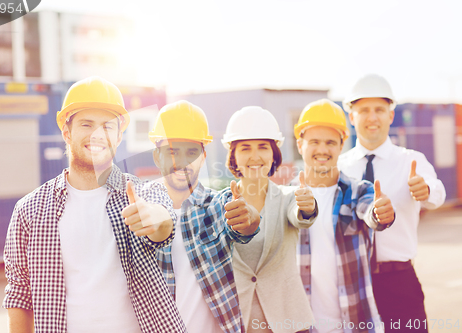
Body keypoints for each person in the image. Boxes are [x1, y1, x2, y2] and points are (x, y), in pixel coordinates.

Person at [2, 76, 186, 333]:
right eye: (86, 124)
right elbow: (19, 292)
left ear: (119, 136)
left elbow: (164, 226)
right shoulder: (29, 210)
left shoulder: (144, 192)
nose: (97, 134)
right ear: (66, 132)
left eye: (108, 126)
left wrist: (154, 220)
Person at [339, 74, 446, 332]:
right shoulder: (340, 167)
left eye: (379, 109)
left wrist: (425, 189)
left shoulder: (411, 160)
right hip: (351, 281)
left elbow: (438, 193)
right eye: (364, 110)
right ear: (352, 117)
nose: (372, 117)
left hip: (399, 283)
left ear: (391, 115)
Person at [151, 100, 261, 333]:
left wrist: (249, 219)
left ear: (203, 157)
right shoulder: (140, 207)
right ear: (156, 157)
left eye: (191, 152)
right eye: (172, 151)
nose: (182, 162)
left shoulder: (218, 204)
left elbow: (243, 225)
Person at [295, 99, 396, 333]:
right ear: (300, 145)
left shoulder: (358, 190)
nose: (322, 149)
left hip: (356, 323)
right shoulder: (285, 198)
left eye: (330, 142)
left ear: (342, 145)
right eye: (314, 142)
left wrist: (380, 213)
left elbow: (371, 211)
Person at [222, 106, 316, 333]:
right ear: (233, 155)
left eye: (263, 147)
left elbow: (301, 216)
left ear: (274, 153)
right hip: (238, 323)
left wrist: (308, 207)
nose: (255, 156)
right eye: (245, 148)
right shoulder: (220, 205)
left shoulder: (288, 197)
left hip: (289, 323)